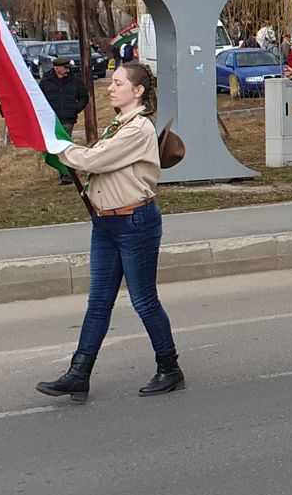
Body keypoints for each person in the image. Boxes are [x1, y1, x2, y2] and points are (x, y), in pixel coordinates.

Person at [35, 63, 183, 401]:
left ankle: (170, 367)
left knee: (143, 300)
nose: (110, 88)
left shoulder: (138, 130)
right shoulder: (120, 125)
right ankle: (79, 373)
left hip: (134, 223)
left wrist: (54, 143)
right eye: (111, 82)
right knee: (99, 301)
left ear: (138, 91)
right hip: (106, 223)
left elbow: (92, 161)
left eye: (118, 83)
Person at [39, 55, 90, 184]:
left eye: (68, 68)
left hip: (68, 119)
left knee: (64, 146)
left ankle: (68, 175)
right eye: (65, 68)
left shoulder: (75, 81)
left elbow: (84, 97)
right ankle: (65, 173)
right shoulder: (46, 82)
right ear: (57, 68)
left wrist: (75, 109)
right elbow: (40, 100)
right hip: (52, 121)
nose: (68, 70)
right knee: (55, 148)